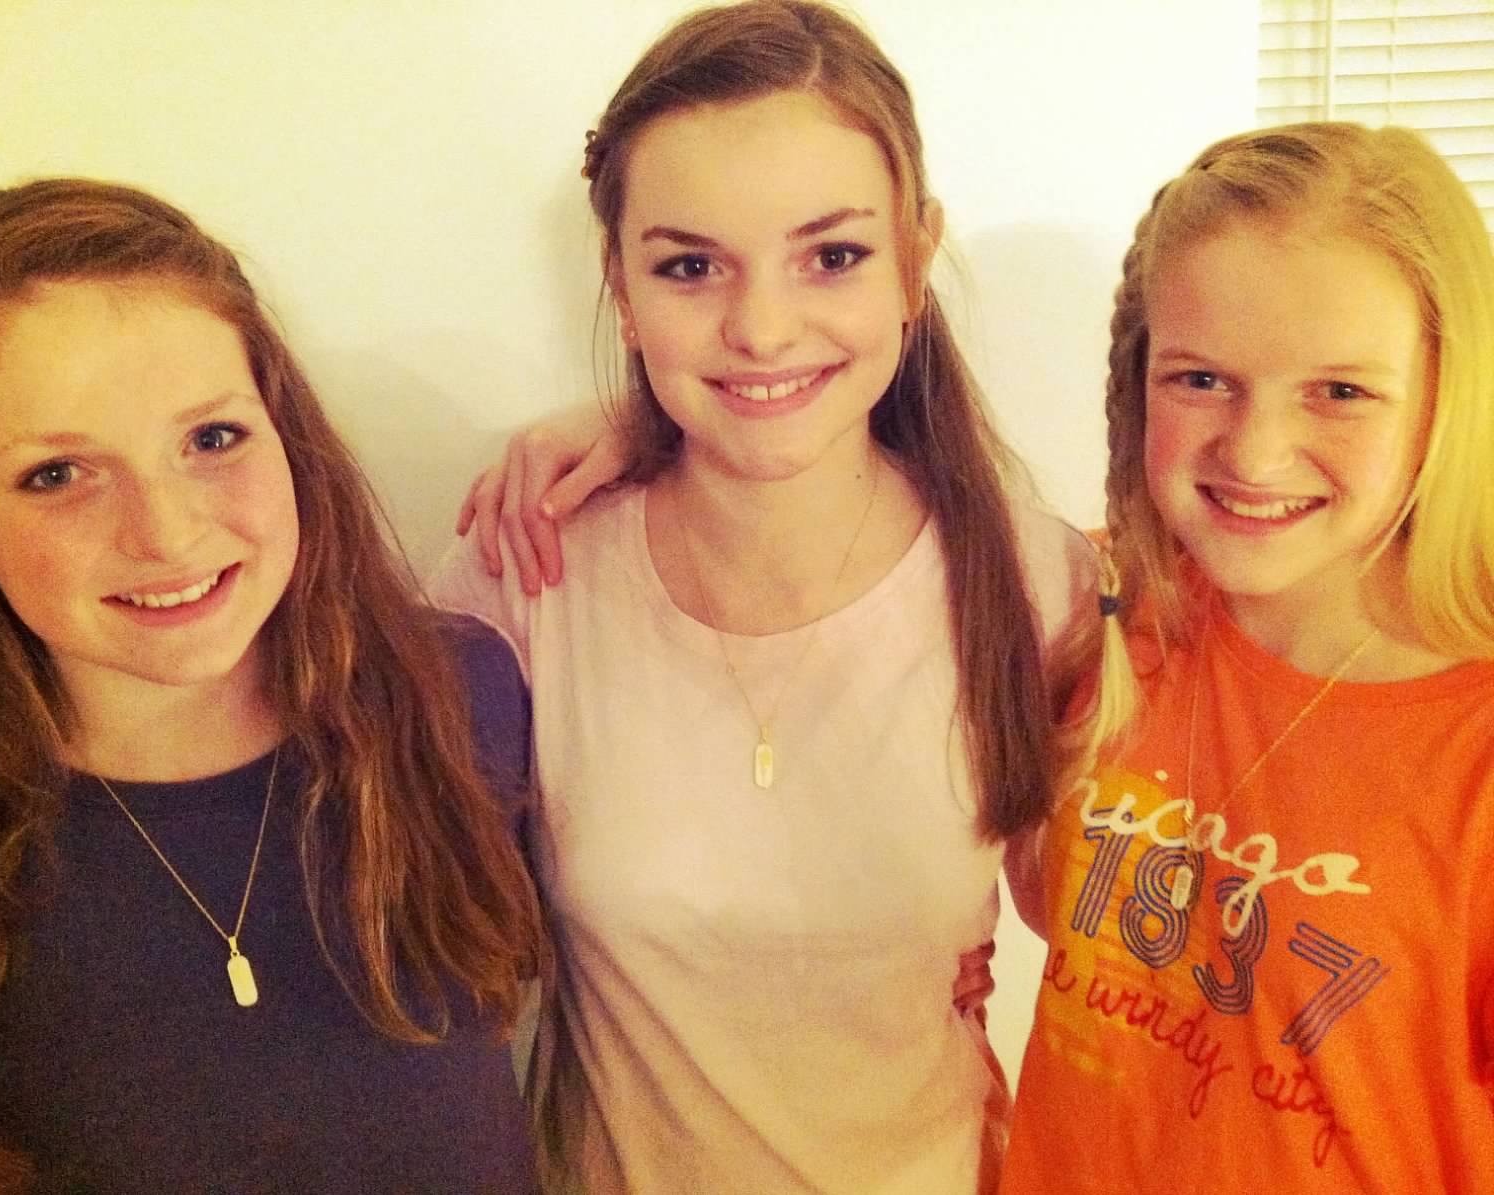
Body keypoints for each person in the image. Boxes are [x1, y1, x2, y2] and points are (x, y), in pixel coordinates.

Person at [430, 2, 1091, 1191]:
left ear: (912, 261)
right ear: (621, 286)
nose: (761, 327)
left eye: (830, 255)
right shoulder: (521, 574)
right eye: (690, 265)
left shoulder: (1038, 583)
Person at [0, 180, 545, 1192]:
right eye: (57, 474)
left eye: (211, 438)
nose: (167, 532)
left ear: (284, 435)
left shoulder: (460, 696)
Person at [998, 123, 1494, 1190]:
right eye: (1201, 380)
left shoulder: (1472, 751)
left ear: (1446, 397)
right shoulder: (1098, 618)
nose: (1255, 449)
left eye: (1341, 391)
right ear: (1137, 381)